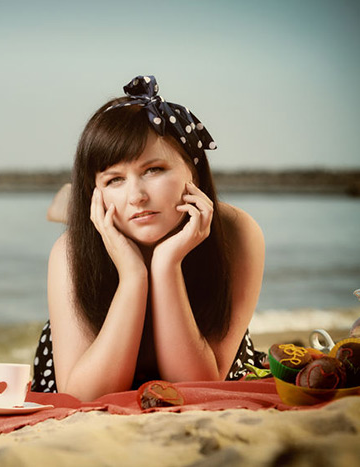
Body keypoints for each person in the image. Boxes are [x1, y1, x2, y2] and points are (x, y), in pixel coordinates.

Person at [32, 76, 265, 400]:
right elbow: (84, 398)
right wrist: (132, 276)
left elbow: (198, 386)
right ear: (95, 193)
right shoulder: (70, 252)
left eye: (153, 170)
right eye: (114, 179)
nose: (137, 196)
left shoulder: (237, 233)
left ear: (193, 171)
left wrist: (167, 265)